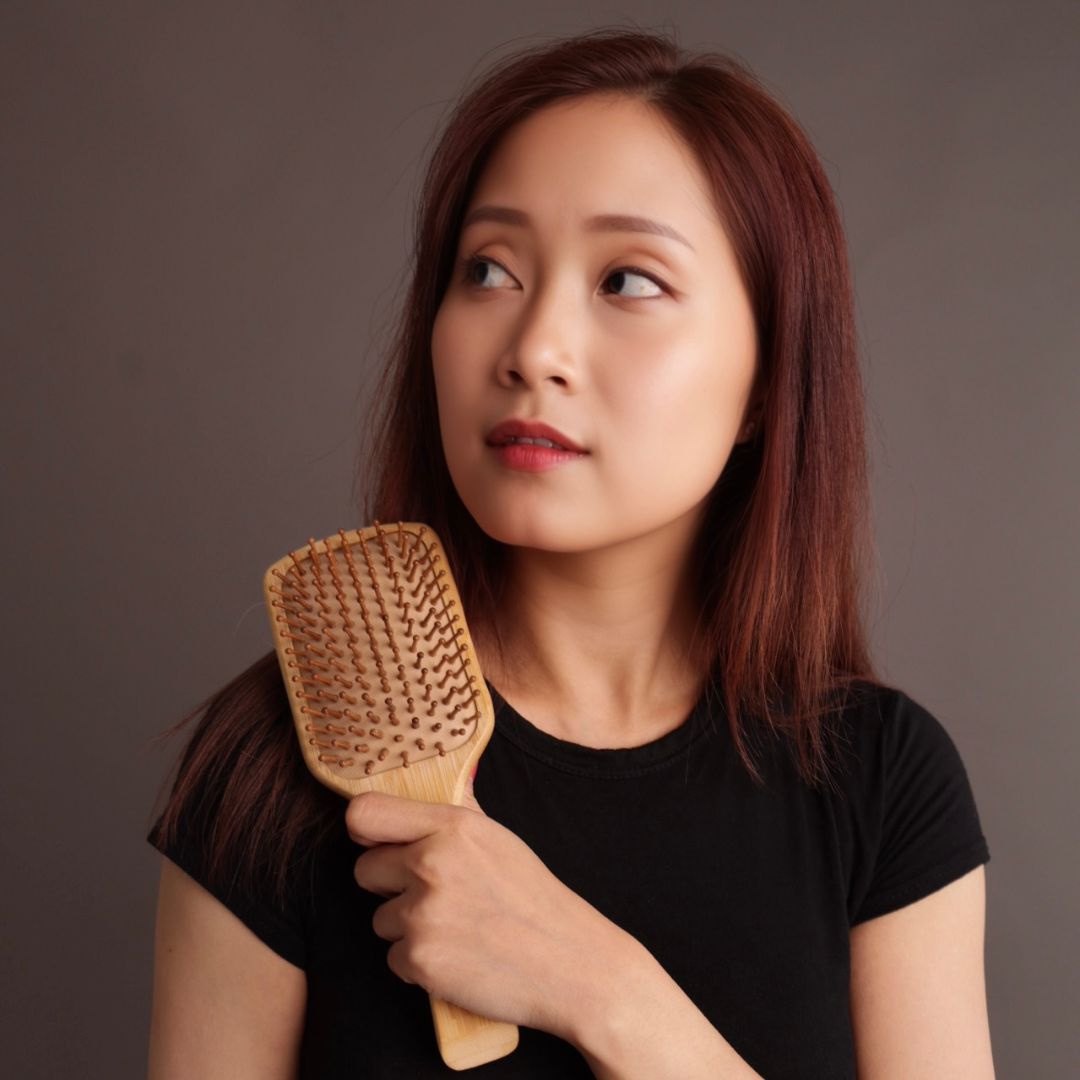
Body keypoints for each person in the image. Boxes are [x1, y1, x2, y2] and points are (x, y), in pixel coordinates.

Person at [146, 28, 994, 1079]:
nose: (533, 348)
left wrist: (606, 992)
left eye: (628, 281)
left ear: (769, 381)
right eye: (489, 267)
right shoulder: (276, 764)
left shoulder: (881, 785)